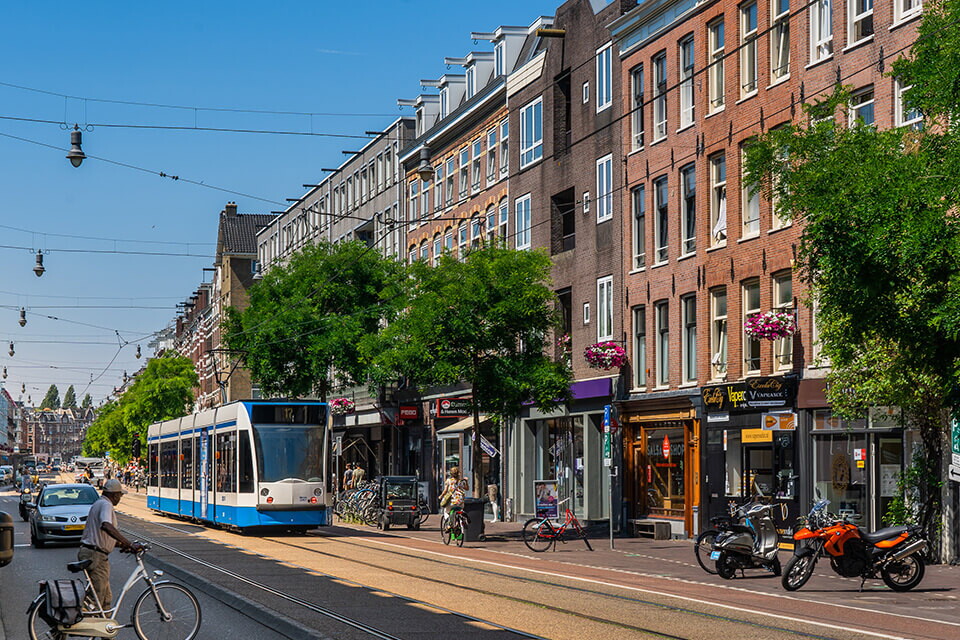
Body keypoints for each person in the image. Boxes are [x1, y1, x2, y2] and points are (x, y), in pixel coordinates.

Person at [78, 479, 142, 610]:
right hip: (95, 555)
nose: (120, 498)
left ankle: (104, 627)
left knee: (106, 598)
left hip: (93, 552)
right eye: (120, 495)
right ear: (114, 495)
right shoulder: (106, 505)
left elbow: (100, 535)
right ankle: (80, 624)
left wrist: (120, 544)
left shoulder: (99, 503)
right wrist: (129, 543)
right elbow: (106, 525)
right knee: (97, 597)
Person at [439, 466, 468, 531]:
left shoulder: (449, 481)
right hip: (460, 501)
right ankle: (461, 521)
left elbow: (445, 491)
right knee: (460, 510)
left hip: (452, 502)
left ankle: (449, 525)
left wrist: (441, 496)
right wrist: (466, 481)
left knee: (446, 511)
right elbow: (467, 488)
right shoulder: (461, 481)